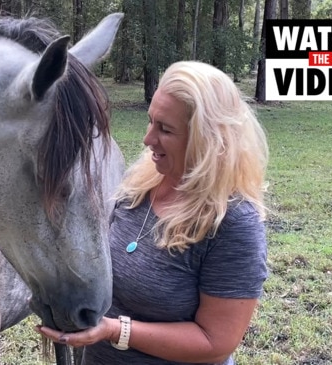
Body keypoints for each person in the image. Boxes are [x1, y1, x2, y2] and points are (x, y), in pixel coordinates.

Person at [35, 60, 269, 364]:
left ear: (209, 140)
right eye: (151, 121)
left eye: (165, 129)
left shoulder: (233, 223)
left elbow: (216, 341)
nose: (147, 139)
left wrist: (115, 331)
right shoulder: (142, 183)